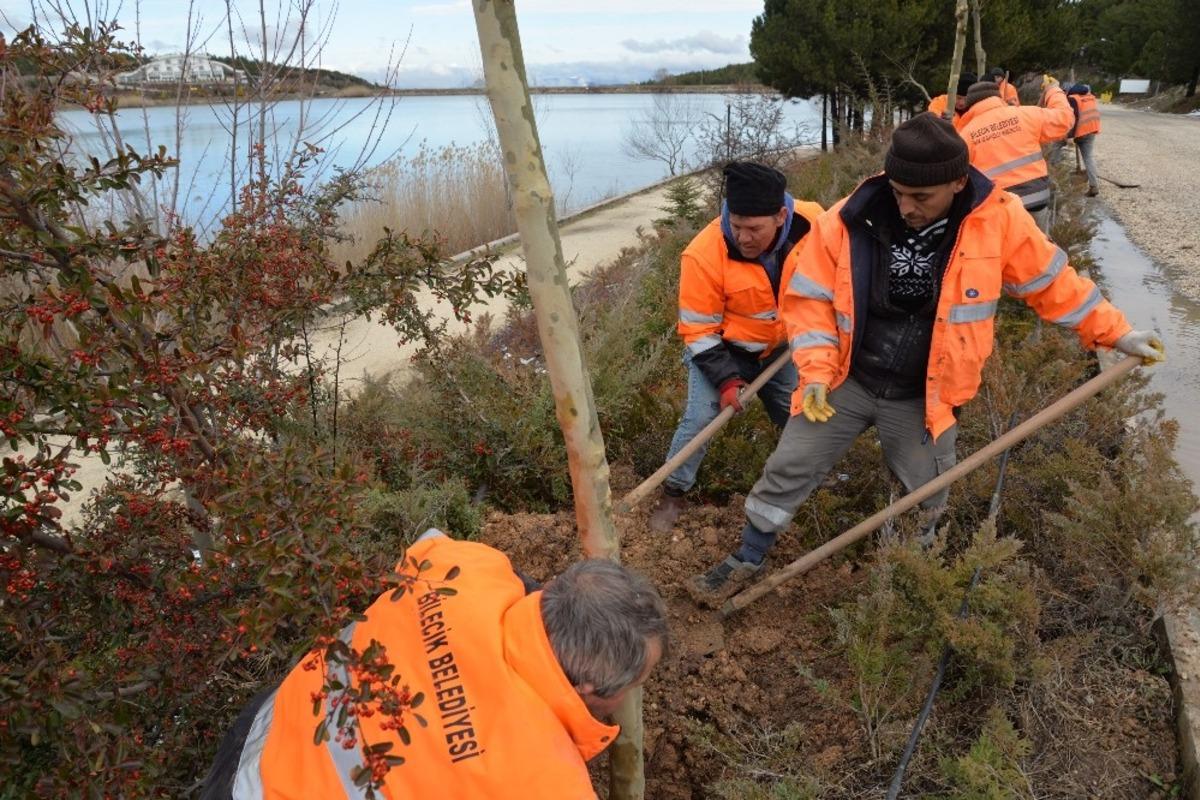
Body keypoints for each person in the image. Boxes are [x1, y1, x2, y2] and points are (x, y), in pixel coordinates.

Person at [689, 113, 1164, 602]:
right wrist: (813, 370)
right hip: (847, 379)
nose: (907, 207)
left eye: (921, 197)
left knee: (926, 495)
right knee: (788, 465)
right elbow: (808, 299)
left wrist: (1118, 333)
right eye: (898, 192)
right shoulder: (852, 216)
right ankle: (747, 555)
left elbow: (1055, 285)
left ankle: (908, 581)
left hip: (925, 397)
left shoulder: (997, 220)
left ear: (957, 181)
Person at [201, 530, 668, 799]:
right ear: (590, 688)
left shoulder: (471, 568)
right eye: (635, 684)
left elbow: (426, 547)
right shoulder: (550, 784)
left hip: (266, 732)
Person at [648, 161, 823, 532]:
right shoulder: (703, 254)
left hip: (782, 350)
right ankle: (674, 493)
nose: (743, 237)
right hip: (722, 351)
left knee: (798, 415)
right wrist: (727, 381)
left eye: (753, 228)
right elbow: (698, 331)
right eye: (736, 224)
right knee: (699, 421)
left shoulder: (814, 225)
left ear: (780, 216)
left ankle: (809, 480)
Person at [956, 77, 1074, 233]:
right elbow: (1064, 119)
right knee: (1039, 252)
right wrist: (1053, 90)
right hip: (1036, 197)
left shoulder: (965, 135)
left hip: (997, 207)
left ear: (970, 105)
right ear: (998, 98)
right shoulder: (1026, 114)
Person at [1067, 83, 1102, 197]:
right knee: (1088, 157)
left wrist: (1070, 136)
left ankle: (1054, 172)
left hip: (1080, 131)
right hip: (1092, 129)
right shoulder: (1090, 97)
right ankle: (1094, 186)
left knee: (1056, 145)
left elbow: (1073, 117)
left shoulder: (1072, 99)